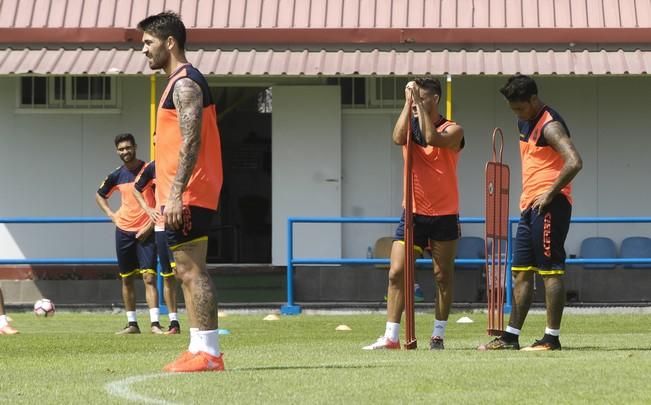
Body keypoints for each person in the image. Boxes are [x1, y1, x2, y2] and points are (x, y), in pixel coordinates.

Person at [138, 11, 224, 372]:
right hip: (184, 192)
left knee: (192, 272)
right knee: (185, 271)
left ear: (169, 42)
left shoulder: (185, 84)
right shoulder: (175, 82)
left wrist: (173, 194)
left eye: (148, 43)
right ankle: (197, 346)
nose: (144, 51)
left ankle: (211, 354)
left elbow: (192, 140)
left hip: (188, 193)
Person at [479, 74, 582, 351]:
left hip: (551, 204)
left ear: (534, 99)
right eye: (513, 108)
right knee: (521, 272)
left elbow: (574, 161)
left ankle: (551, 338)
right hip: (529, 206)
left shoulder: (551, 126)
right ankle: (511, 337)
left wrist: (550, 192)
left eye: (520, 107)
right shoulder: (524, 120)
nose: (517, 113)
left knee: (550, 271)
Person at [363, 77, 465, 351]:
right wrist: (408, 105)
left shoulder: (453, 129)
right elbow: (397, 137)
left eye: (422, 97)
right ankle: (391, 336)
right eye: (415, 96)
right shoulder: (409, 127)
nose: (417, 101)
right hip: (413, 212)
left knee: (442, 275)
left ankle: (438, 335)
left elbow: (432, 138)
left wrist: (417, 101)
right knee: (397, 272)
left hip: (444, 214)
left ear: (434, 99)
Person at [96, 133, 164, 335]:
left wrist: (150, 226)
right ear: (117, 151)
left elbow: (162, 200)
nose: (125, 151)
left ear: (135, 147)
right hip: (124, 231)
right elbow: (100, 195)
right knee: (126, 279)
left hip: (146, 231)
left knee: (149, 277)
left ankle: (155, 324)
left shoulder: (149, 171)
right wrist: (112, 215)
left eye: (128, 147)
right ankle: (132, 324)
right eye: (121, 149)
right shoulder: (116, 175)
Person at [133, 160, 181, 335]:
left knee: (184, 275)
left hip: (181, 223)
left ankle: (197, 323)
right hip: (162, 226)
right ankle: (173, 323)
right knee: (168, 276)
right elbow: (136, 188)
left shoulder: (182, 160)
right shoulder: (152, 167)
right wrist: (149, 210)